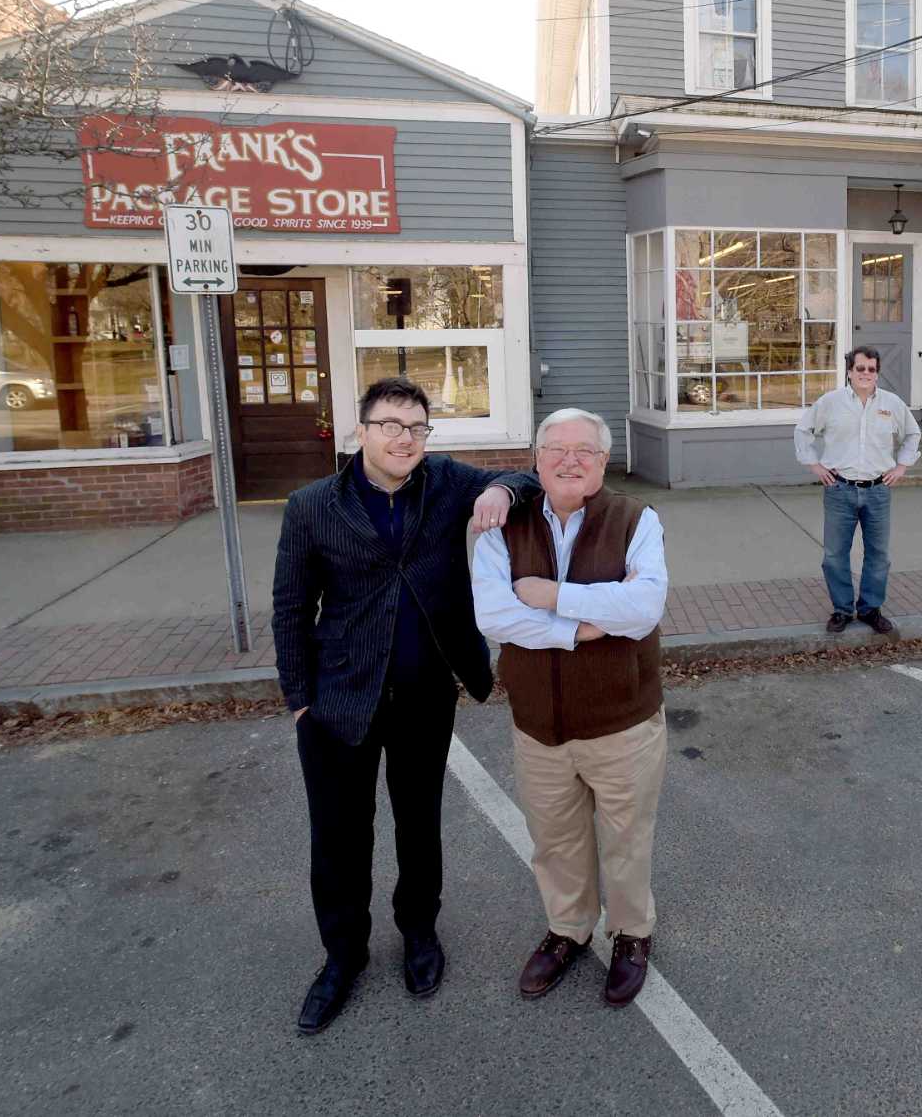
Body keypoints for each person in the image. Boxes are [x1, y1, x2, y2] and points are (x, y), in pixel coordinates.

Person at [272, 375, 537, 1036]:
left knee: (419, 825)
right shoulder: (312, 505)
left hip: (424, 696)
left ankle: (419, 930)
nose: (404, 438)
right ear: (361, 431)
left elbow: (523, 478)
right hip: (338, 699)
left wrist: (502, 491)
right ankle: (343, 955)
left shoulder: (444, 482)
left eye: (417, 427)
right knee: (339, 838)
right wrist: (300, 701)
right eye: (390, 425)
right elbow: (290, 607)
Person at [471, 408, 670, 1009]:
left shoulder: (636, 519)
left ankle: (631, 934)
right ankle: (568, 929)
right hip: (539, 727)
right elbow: (494, 616)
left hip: (622, 723)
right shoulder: (503, 527)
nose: (570, 460)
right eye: (556, 448)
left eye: (585, 450)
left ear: (604, 462)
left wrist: (553, 596)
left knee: (626, 840)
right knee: (554, 840)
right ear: (535, 460)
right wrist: (581, 628)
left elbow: (643, 608)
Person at [794, 346, 920, 635]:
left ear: (877, 373)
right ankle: (842, 610)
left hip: (878, 491)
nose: (866, 373)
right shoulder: (830, 403)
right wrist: (815, 465)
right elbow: (803, 431)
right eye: (860, 368)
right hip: (840, 490)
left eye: (871, 369)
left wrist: (902, 466)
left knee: (878, 555)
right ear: (850, 371)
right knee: (834, 556)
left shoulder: (892, 404)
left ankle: (870, 609)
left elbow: (913, 434)